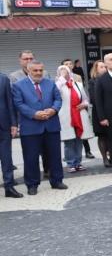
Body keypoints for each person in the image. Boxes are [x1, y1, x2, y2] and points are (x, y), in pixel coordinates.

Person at [11, 61, 68, 195]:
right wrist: (34, 114)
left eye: (40, 70)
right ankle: (32, 184)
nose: (38, 73)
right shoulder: (18, 85)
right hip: (30, 127)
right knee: (31, 158)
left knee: (55, 156)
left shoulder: (50, 83)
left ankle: (57, 181)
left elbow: (58, 99)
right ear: (28, 71)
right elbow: (18, 104)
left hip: (51, 125)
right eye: (35, 70)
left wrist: (53, 109)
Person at [56, 65, 94, 173]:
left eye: (66, 71)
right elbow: (55, 92)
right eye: (61, 71)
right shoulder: (58, 85)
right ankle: (70, 163)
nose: (64, 73)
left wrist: (84, 104)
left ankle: (78, 162)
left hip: (79, 115)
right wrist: (62, 78)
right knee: (69, 141)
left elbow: (85, 99)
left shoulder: (78, 84)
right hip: (66, 116)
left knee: (79, 140)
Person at [0, 73, 22, 198]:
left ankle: (9, 187)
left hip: (4, 126)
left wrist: (14, 123)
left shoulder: (3, 79)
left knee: (7, 158)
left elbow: (10, 102)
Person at [87, 61, 111, 168]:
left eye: (105, 67)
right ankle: (105, 158)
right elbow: (93, 98)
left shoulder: (110, 79)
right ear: (96, 69)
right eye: (101, 67)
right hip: (99, 112)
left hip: (111, 112)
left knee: (111, 135)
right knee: (102, 136)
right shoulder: (92, 82)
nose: (104, 68)